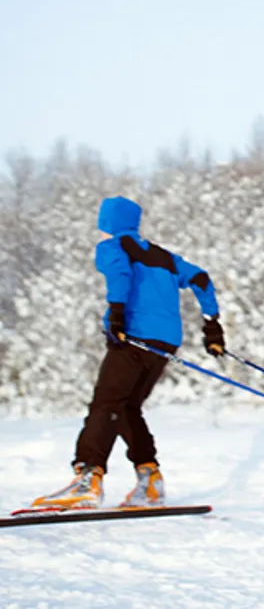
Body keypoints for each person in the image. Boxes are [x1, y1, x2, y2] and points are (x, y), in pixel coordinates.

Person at [30, 195, 225, 511]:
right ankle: (150, 480)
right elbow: (201, 279)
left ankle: (87, 478)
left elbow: (120, 275)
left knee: (106, 403)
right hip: (164, 342)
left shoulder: (112, 247)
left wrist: (117, 314)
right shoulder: (164, 256)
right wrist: (212, 325)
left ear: (107, 224)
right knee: (127, 407)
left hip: (133, 337)